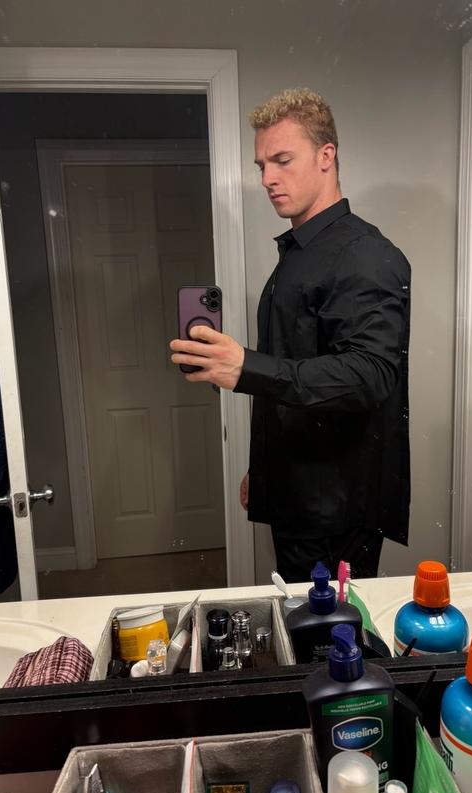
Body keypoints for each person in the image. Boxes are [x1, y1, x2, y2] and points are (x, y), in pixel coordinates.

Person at [170, 88, 410, 582]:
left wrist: (246, 367)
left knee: (329, 629)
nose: (267, 179)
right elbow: (298, 362)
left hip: (337, 510)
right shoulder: (300, 253)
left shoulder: (366, 255)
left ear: (326, 156)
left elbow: (370, 374)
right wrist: (265, 470)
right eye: (262, 165)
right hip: (299, 490)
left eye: (282, 160)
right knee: (299, 622)